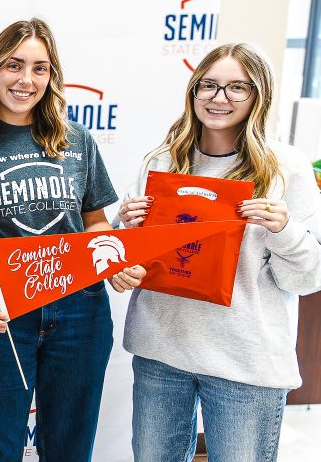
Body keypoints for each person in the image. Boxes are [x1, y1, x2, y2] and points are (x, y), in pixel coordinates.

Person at [0, 18, 145, 462]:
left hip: (81, 312)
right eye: (14, 65)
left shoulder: (77, 141)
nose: (25, 79)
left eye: (40, 68)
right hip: (2, 313)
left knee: (70, 448)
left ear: (51, 76)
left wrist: (112, 258)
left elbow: (95, 223)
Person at [117, 43, 321, 462]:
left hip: (245, 361)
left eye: (236, 88)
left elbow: (306, 280)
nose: (218, 97)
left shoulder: (286, 168)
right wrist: (125, 247)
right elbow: (131, 260)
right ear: (193, 92)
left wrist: (283, 230)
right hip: (161, 351)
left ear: (258, 95)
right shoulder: (162, 161)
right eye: (207, 85)